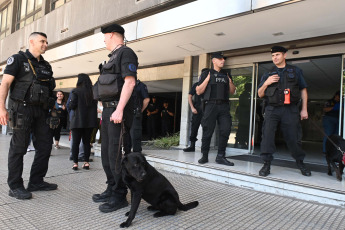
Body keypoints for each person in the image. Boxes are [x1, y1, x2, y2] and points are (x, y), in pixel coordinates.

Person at [0, 32, 58, 200]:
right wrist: (1, 108)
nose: (45, 44)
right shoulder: (17, 59)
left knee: (45, 146)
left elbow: (50, 90)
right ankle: (15, 186)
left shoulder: (46, 65)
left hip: (41, 111)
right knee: (19, 148)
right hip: (21, 109)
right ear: (31, 42)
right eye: (42, 41)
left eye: (47, 42)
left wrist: (53, 109)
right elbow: (5, 84)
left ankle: (36, 181)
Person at [92, 23, 138, 213]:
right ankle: (111, 187)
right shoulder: (113, 57)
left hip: (119, 111)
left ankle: (120, 195)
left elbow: (130, 82)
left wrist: (119, 110)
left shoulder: (126, 53)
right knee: (105, 154)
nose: (103, 40)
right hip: (109, 111)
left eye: (104, 36)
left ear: (111, 35)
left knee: (115, 154)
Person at [257, 46, 311, 177]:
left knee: (294, 137)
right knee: (267, 136)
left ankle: (300, 162)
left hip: (290, 109)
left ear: (284, 55)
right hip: (272, 109)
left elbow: (303, 90)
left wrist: (304, 109)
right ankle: (266, 164)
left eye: (277, 55)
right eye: (273, 55)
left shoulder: (296, 71)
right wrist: (266, 83)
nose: (275, 58)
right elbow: (260, 94)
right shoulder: (268, 74)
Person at [196, 52, 236, 166]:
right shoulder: (206, 73)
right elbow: (198, 91)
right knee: (207, 131)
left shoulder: (226, 74)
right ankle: (204, 156)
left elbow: (232, 91)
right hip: (210, 105)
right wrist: (207, 80)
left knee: (226, 129)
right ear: (214, 61)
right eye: (220, 59)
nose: (223, 60)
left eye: (223, 59)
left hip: (224, 106)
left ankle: (221, 156)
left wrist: (230, 81)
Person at [68, 74, 98, 170]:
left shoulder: (75, 91)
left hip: (77, 121)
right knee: (86, 142)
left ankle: (75, 163)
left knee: (75, 143)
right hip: (89, 122)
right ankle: (86, 163)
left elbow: (72, 105)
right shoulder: (93, 92)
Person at [183, 71, 207, 152]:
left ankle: (204, 148)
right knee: (194, 128)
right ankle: (192, 146)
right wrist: (192, 107)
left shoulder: (210, 85)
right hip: (197, 109)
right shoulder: (196, 84)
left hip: (207, 110)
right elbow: (190, 96)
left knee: (207, 129)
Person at [130, 79, 149, 153]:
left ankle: (136, 152)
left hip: (134, 113)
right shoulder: (126, 84)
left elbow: (146, 99)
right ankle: (132, 151)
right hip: (130, 112)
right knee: (130, 133)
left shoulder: (140, 85)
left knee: (135, 133)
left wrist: (141, 110)